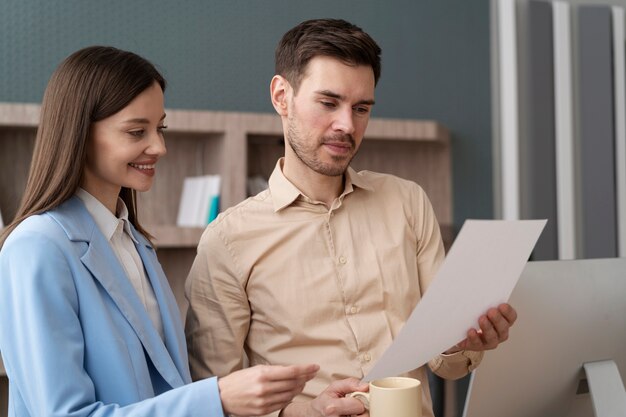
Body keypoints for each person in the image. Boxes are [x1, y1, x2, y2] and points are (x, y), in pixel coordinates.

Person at [184, 19, 517, 417]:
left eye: (361, 108)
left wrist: (466, 339)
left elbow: (445, 360)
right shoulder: (227, 241)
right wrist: (303, 413)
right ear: (281, 96)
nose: (347, 125)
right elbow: (214, 398)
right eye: (328, 103)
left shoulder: (408, 202)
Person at [0, 46, 319, 417]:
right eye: (137, 131)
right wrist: (216, 399)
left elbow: (167, 391)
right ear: (80, 134)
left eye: (159, 128)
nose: (159, 147)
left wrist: (303, 410)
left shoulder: (133, 242)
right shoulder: (37, 248)